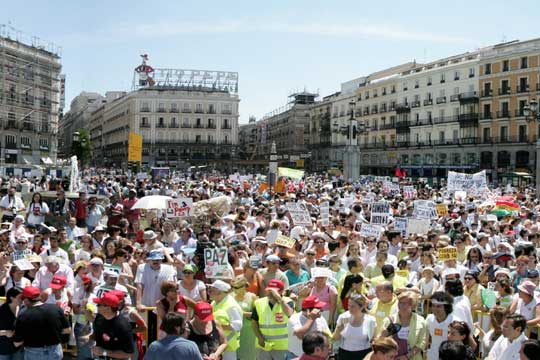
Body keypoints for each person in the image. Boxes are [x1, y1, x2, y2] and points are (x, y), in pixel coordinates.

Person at [12, 286, 71, 360]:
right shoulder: (56, 308)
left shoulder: (23, 315)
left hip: (33, 353)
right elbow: (67, 330)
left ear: (26, 299)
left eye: (23, 299)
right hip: (55, 351)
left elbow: (17, 343)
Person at [252, 278, 294, 360]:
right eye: (269, 290)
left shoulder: (288, 302)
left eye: (274, 291)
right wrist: (260, 338)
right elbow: (254, 322)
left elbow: (289, 314)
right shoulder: (259, 302)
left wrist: (279, 299)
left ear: (281, 291)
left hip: (282, 346)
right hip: (263, 345)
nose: (271, 293)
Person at [380, 291, 426, 360]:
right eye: (399, 302)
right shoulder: (389, 320)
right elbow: (379, 342)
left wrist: (407, 357)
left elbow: (422, 342)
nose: (400, 305)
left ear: (413, 306)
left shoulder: (421, 321)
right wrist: (382, 336)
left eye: (404, 303)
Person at [92, 292, 135, 359]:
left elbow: (129, 354)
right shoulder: (100, 317)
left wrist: (105, 352)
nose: (97, 306)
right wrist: (88, 337)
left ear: (108, 308)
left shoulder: (123, 325)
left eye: (99, 304)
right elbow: (98, 334)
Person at [286, 295, 330, 360]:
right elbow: (300, 335)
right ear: (308, 310)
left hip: (316, 357)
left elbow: (326, 334)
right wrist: (311, 318)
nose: (321, 310)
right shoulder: (294, 319)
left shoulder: (320, 318)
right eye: (318, 308)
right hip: (296, 356)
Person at [333, 294, 376, 360]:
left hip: (363, 354)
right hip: (344, 354)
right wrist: (339, 329)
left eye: (353, 306)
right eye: (348, 305)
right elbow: (335, 338)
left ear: (362, 307)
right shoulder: (343, 317)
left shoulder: (370, 320)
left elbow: (373, 340)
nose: (349, 308)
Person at [209, 280, 243, 360]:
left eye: (212, 290)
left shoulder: (231, 306)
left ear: (219, 292)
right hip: (216, 344)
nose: (209, 292)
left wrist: (217, 326)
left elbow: (237, 325)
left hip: (228, 345)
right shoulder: (214, 302)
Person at [232, 276, 258, 360]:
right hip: (234, 331)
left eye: (236, 287)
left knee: (248, 355)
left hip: (248, 331)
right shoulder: (231, 297)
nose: (234, 289)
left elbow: (257, 314)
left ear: (244, 287)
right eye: (233, 287)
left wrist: (242, 313)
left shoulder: (252, 297)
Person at [426, 291, 455, 360]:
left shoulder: (455, 321)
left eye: (438, 306)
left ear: (446, 307)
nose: (435, 309)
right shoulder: (429, 319)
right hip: (432, 356)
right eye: (433, 305)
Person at [0, 287, 23, 360]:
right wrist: (5, 332)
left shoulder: (21, 308)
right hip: (4, 349)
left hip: (18, 347)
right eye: (20, 297)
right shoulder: (2, 311)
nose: (22, 300)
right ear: (12, 298)